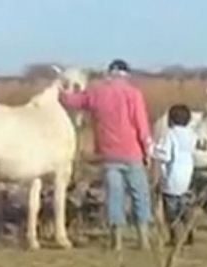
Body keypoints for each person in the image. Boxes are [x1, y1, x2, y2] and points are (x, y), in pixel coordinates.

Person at [59, 59, 153, 251]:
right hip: (132, 152)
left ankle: (116, 241)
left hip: (108, 154)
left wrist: (61, 88)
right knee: (139, 195)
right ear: (126, 74)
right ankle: (143, 240)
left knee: (114, 196)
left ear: (108, 73)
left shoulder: (96, 92)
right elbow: (141, 125)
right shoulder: (133, 94)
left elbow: (72, 101)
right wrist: (147, 150)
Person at [152, 104, 197, 245]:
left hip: (172, 178)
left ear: (170, 120)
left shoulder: (170, 135)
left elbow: (165, 155)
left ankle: (174, 236)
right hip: (187, 175)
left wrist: (151, 150)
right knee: (184, 207)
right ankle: (189, 231)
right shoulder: (191, 135)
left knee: (171, 211)